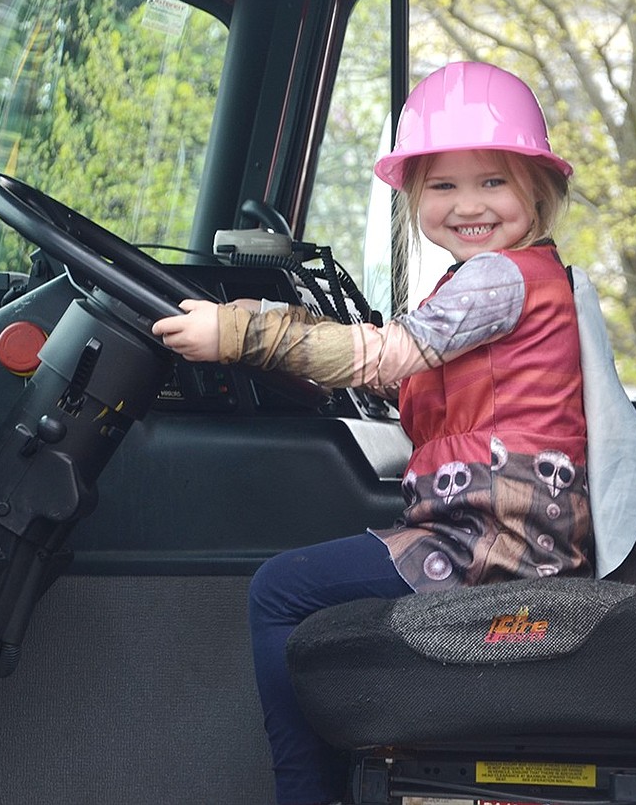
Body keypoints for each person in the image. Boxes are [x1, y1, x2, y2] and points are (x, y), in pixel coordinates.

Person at [152, 61, 592, 805]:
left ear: (538, 190)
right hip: (501, 522)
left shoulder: (499, 278)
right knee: (304, 582)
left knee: (279, 589)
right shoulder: (505, 278)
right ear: (416, 197)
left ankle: (305, 792)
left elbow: (385, 352)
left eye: (493, 182)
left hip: (496, 536)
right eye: (443, 186)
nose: (467, 205)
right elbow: (410, 379)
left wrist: (237, 331)